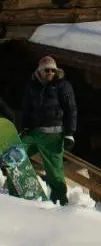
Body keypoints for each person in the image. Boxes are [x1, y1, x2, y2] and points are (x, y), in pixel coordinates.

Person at [20, 55, 77, 205]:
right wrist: (24, 127)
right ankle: (15, 188)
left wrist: (70, 133)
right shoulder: (32, 86)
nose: (50, 72)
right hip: (35, 132)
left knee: (54, 172)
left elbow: (71, 110)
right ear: (39, 71)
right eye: (47, 70)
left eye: (53, 70)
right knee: (16, 154)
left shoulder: (62, 86)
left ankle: (60, 202)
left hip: (54, 134)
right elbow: (26, 109)